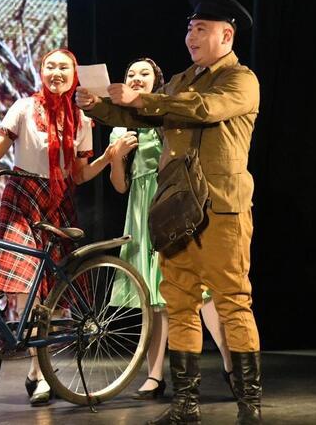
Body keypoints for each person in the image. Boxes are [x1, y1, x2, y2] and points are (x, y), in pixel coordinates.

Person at [77, 0, 262, 424]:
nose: (191, 37)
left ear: (226, 35)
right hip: (175, 210)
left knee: (232, 301)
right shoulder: (181, 80)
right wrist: (101, 107)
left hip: (220, 209)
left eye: (201, 29)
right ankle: (184, 405)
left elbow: (203, 109)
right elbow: (142, 117)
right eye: (189, 28)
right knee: (178, 302)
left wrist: (141, 98)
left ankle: (249, 405)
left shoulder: (240, 80)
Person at [0, 48, 114, 406]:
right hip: (23, 197)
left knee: (53, 291)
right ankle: (38, 370)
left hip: (58, 202)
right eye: (50, 66)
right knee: (25, 284)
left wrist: (108, 158)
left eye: (64, 67)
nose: (56, 73)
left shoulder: (81, 118)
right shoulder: (24, 107)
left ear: (73, 75)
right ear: (41, 71)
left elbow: (79, 174)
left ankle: (38, 372)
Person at [105, 57, 234, 401]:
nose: (136, 78)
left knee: (200, 292)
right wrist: (116, 157)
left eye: (144, 73)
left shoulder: (166, 115)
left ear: (157, 81)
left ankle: (231, 364)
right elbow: (120, 186)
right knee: (153, 299)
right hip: (140, 211)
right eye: (130, 73)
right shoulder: (121, 126)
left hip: (171, 204)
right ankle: (154, 376)